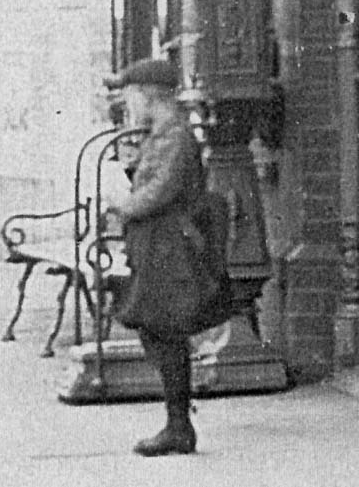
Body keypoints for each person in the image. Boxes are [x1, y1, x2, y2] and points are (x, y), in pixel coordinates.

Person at [103, 57, 230, 457]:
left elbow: (161, 191)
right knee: (157, 329)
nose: (129, 104)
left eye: (131, 95)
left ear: (147, 94)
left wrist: (121, 205)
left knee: (165, 328)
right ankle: (176, 422)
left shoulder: (174, 134)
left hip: (169, 246)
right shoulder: (162, 132)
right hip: (156, 244)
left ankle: (179, 426)